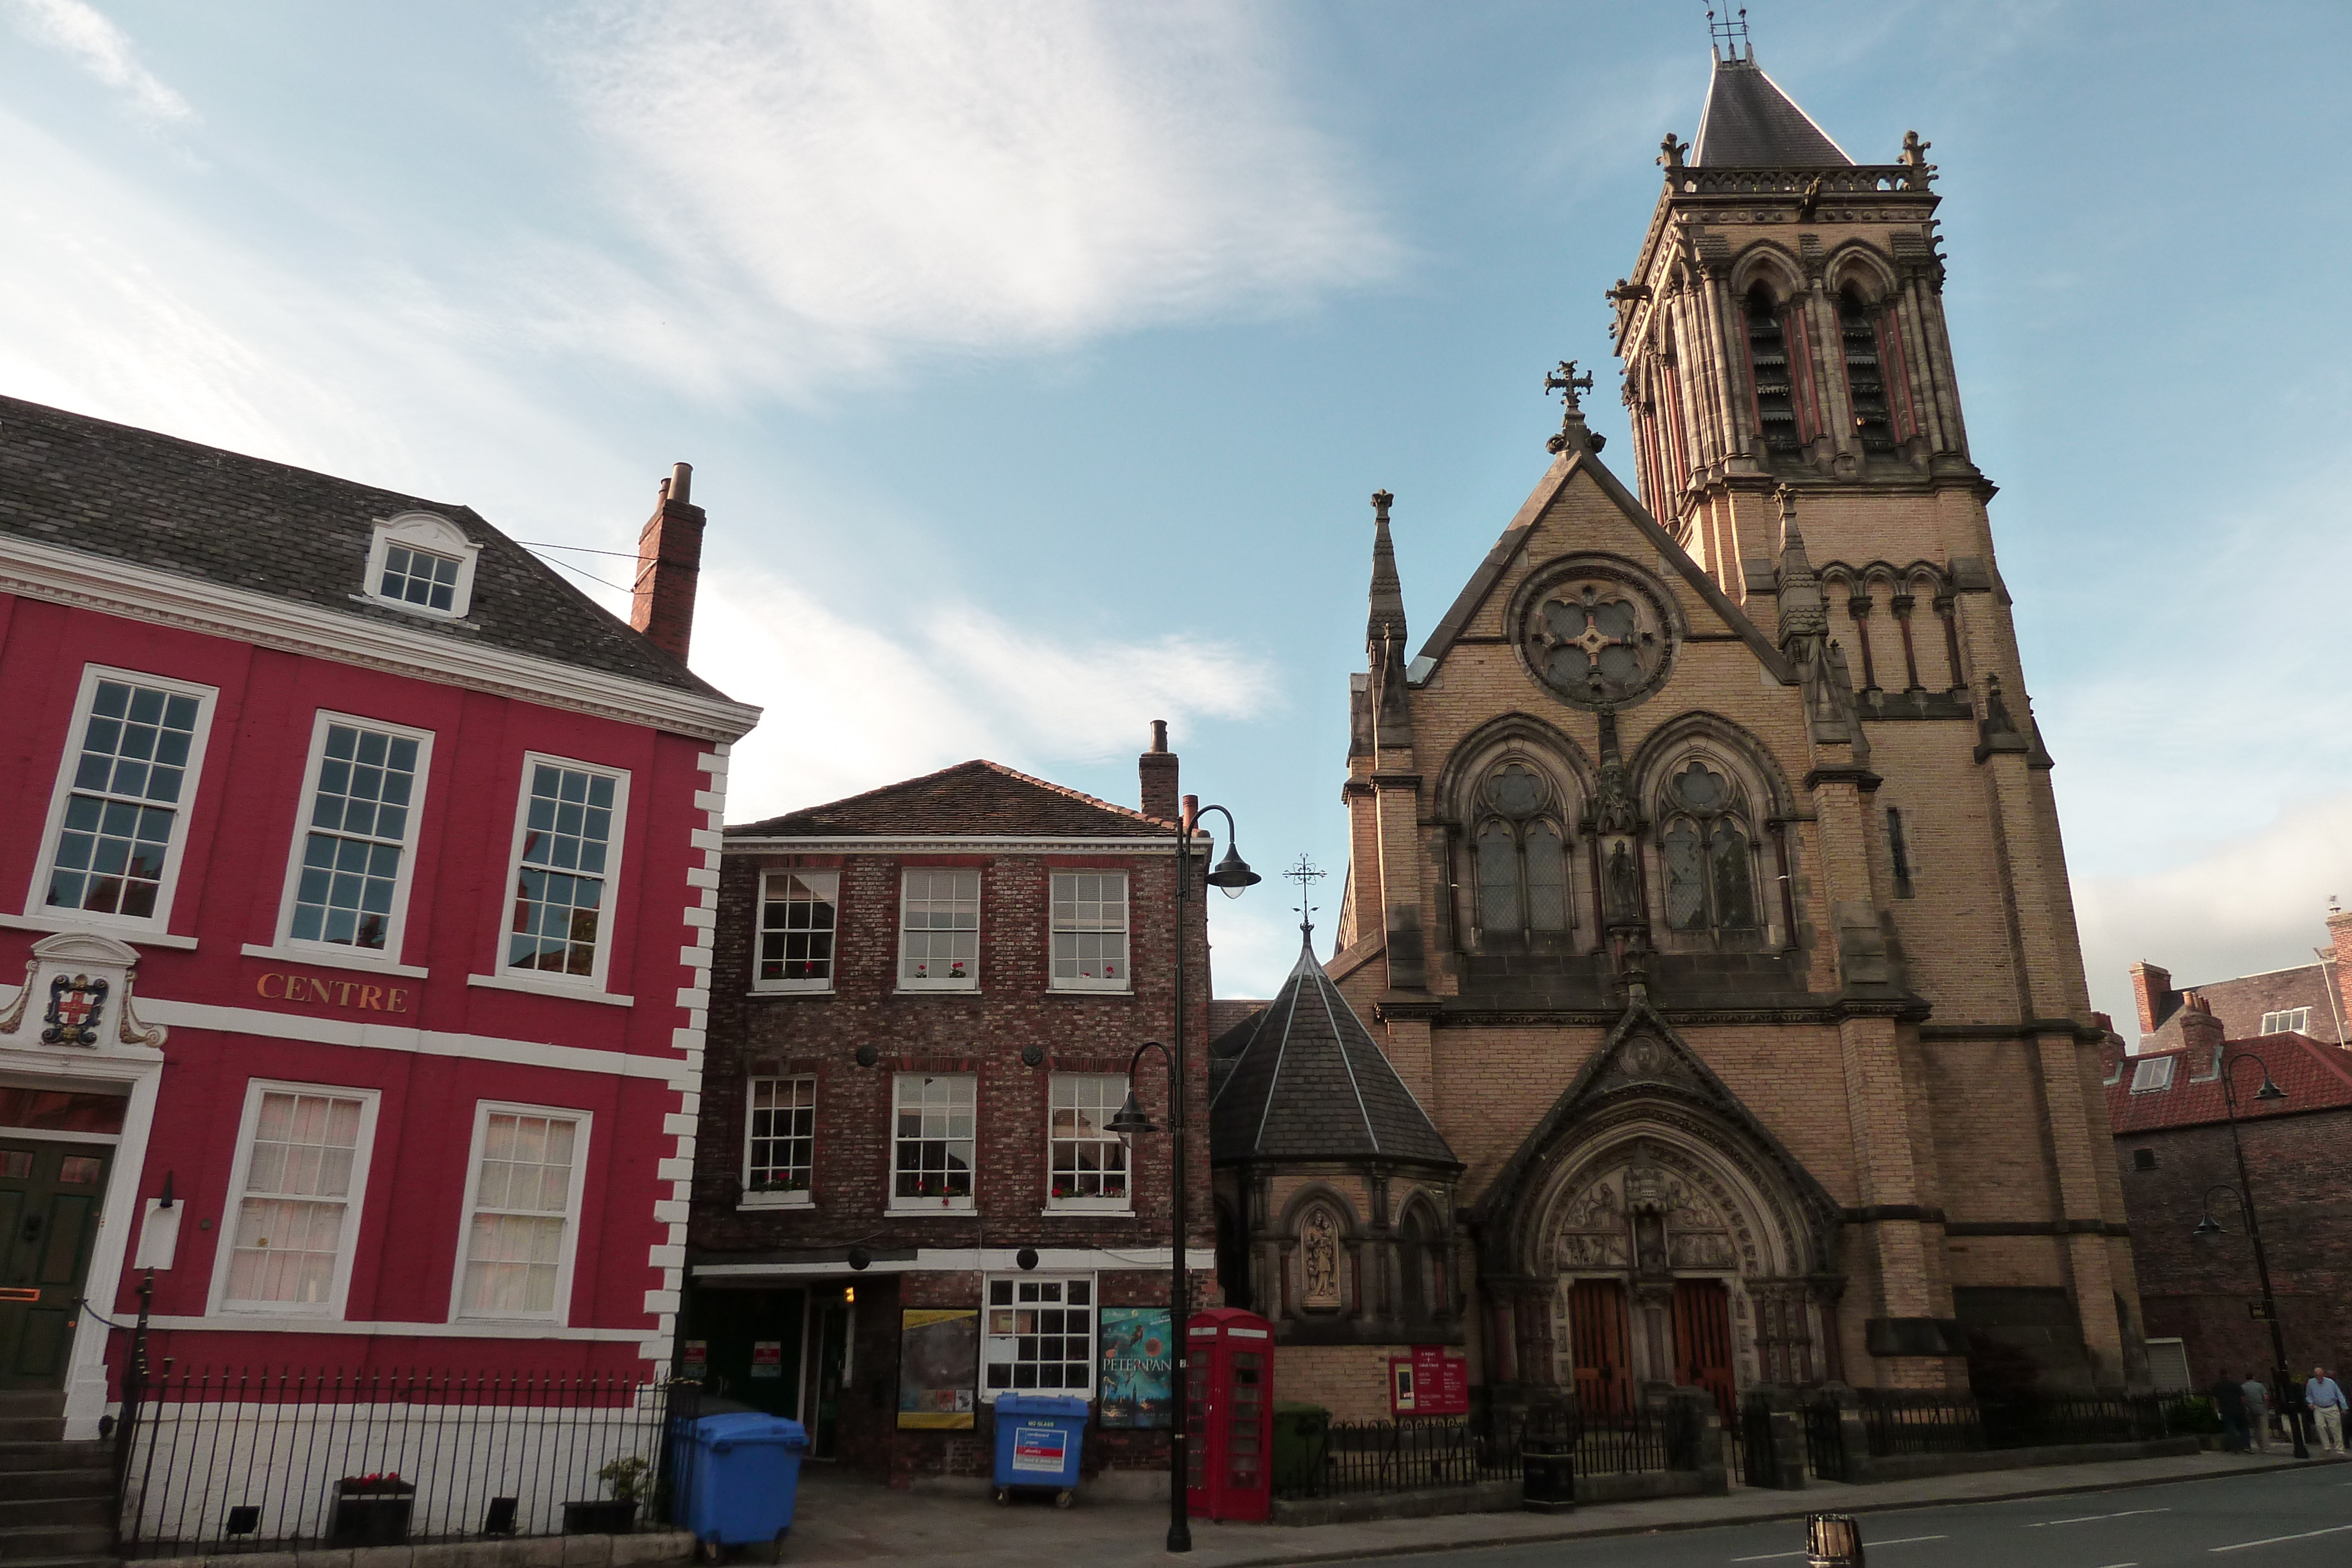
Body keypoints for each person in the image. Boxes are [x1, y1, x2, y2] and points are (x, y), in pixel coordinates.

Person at [2307, 1367, 2347, 1454]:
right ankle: (2326, 1446)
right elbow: (2309, 1395)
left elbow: (2339, 1394)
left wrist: (2344, 1407)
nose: (2319, 1378)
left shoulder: (2330, 1382)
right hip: (2318, 1408)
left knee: (2335, 1428)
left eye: (2321, 1376)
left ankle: (2339, 1449)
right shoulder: (2311, 1383)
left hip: (2331, 1407)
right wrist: (2310, 1403)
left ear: (2323, 1375)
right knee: (2319, 1426)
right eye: (2317, 1376)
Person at [2212, 1371, 2249, 1453]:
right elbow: (2243, 1397)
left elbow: (2216, 1400)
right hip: (2239, 1409)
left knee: (2231, 1429)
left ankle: (2235, 1447)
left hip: (2226, 1410)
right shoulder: (2235, 1384)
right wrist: (2245, 1407)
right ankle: (2246, 1446)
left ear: (2220, 1376)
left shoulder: (2217, 1386)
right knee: (2244, 1428)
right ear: (2228, 1375)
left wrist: (2217, 1408)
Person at [2240, 1372, 2272, 1453]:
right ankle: (2265, 1447)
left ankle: (2260, 1444)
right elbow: (2266, 1397)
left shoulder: (2243, 1387)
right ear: (2253, 1377)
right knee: (2264, 1428)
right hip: (2261, 1407)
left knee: (2256, 1428)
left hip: (2250, 1407)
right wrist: (2266, 1406)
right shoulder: (2259, 1385)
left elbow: (2243, 1399)